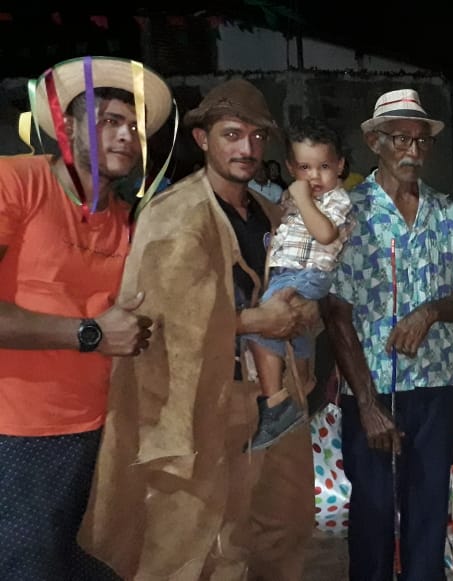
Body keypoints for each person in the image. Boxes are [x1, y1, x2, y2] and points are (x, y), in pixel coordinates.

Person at [78, 78, 319, 580]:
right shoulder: (174, 215)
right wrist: (255, 320)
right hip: (198, 406)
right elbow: (157, 320)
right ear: (203, 139)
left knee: (284, 527)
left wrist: (303, 312)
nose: (247, 148)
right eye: (232, 134)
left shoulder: (272, 215)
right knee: (193, 546)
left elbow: (305, 287)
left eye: (257, 137)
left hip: (275, 402)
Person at [0, 55, 171, 580]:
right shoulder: (18, 182)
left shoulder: (126, 220)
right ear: (68, 128)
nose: (125, 135)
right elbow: (101, 330)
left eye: (135, 127)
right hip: (17, 433)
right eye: (110, 121)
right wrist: (90, 333)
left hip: (101, 431)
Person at [323, 88, 453, 580]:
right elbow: (336, 313)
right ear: (375, 142)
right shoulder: (348, 214)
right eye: (400, 138)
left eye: (421, 140)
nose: (412, 150)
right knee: (372, 513)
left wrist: (431, 312)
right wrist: (367, 404)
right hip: (372, 389)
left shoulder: (445, 212)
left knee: (428, 508)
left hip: (437, 385)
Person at [242, 117, 353, 451]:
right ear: (291, 168)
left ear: (340, 166)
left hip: (308, 274)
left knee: (263, 320)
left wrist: (303, 200)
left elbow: (326, 234)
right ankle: (303, 381)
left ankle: (275, 402)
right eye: (305, 168)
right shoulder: (288, 202)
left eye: (324, 167)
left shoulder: (337, 200)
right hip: (287, 273)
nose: (314, 176)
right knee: (296, 333)